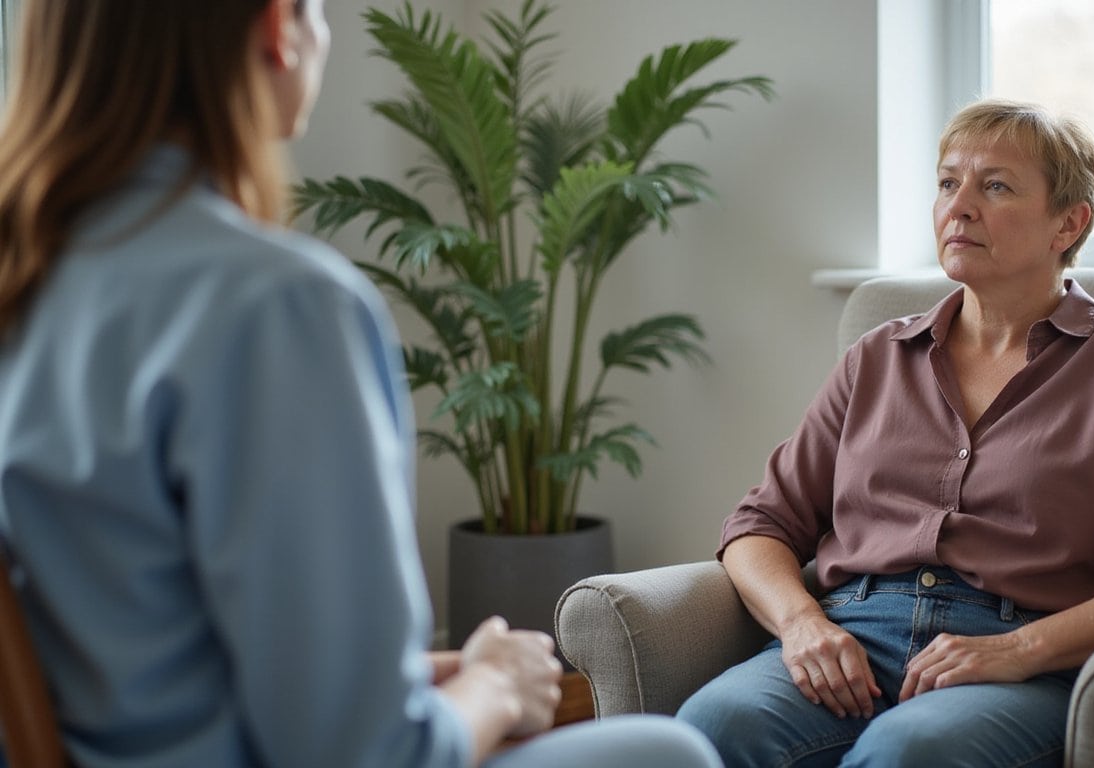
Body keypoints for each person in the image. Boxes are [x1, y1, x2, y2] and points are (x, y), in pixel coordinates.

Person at [0, 2, 720, 767]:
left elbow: (147, 641)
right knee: (667, 753)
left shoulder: (29, 281)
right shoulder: (276, 306)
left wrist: (433, 680)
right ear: (279, 27)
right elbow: (366, 758)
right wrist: (499, 686)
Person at [676, 99, 1094, 767]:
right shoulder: (878, 356)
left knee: (910, 749)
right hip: (856, 629)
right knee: (709, 725)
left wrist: (1019, 650)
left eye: (995, 185)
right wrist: (803, 625)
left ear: (1070, 221)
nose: (960, 205)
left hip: (1021, 649)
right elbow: (759, 526)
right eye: (949, 182)